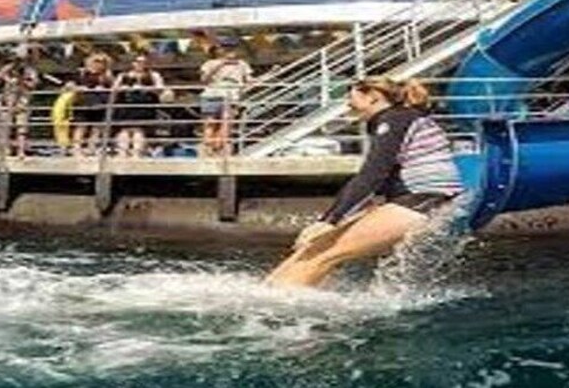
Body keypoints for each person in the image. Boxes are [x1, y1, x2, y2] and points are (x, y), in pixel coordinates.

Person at [266, 77, 465, 288]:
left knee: (324, 253)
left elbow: (373, 174)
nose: (347, 105)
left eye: (351, 98)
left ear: (373, 97)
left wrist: (328, 220)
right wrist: (360, 210)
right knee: (314, 247)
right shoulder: (399, 119)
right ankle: (273, 288)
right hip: (416, 200)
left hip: (423, 202)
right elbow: (390, 175)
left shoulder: (394, 120)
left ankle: (288, 301)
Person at [199, 45, 253, 157]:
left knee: (226, 122)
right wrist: (220, 64)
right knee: (210, 122)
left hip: (231, 95)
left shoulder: (242, 64)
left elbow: (250, 81)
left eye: (233, 48)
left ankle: (219, 149)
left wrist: (271, 74)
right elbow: (204, 79)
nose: (231, 51)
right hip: (212, 93)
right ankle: (208, 148)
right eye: (227, 48)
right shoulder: (210, 63)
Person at [0, 45, 39, 159]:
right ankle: (4, 150)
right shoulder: (7, 69)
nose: (17, 62)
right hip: (7, 102)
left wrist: (21, 81)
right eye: (15, 59)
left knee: (22, 127)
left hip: (23, 102)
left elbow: (33, 85)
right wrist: (4, 74)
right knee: (4, 128)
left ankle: (21, 151)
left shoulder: (30, 70)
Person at [113, 54, 164, 157]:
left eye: (143, 62)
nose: (140, 64)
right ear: (133, 63)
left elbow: (160, 88)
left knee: (139, 130)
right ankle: (122, 152)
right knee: (124, 130)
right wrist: (124, 88)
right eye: (138, 62)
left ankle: (137, 153)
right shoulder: (123, 75)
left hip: (144, 105)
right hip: (126, 104)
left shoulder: (153, 75)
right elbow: (114, 89)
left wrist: (146, 88)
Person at [71, 52, 114, 158]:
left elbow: (112, 87)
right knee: (81, 126)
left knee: (97, 127)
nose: (99, 64)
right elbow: (70, 85)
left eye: (102, 62)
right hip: (84, 102)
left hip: (101, 102)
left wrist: (105, 88)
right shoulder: (82, 73)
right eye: (97, 61)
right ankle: (76, 149)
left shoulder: (107, 75)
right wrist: (81, 88)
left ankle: (92, 148)